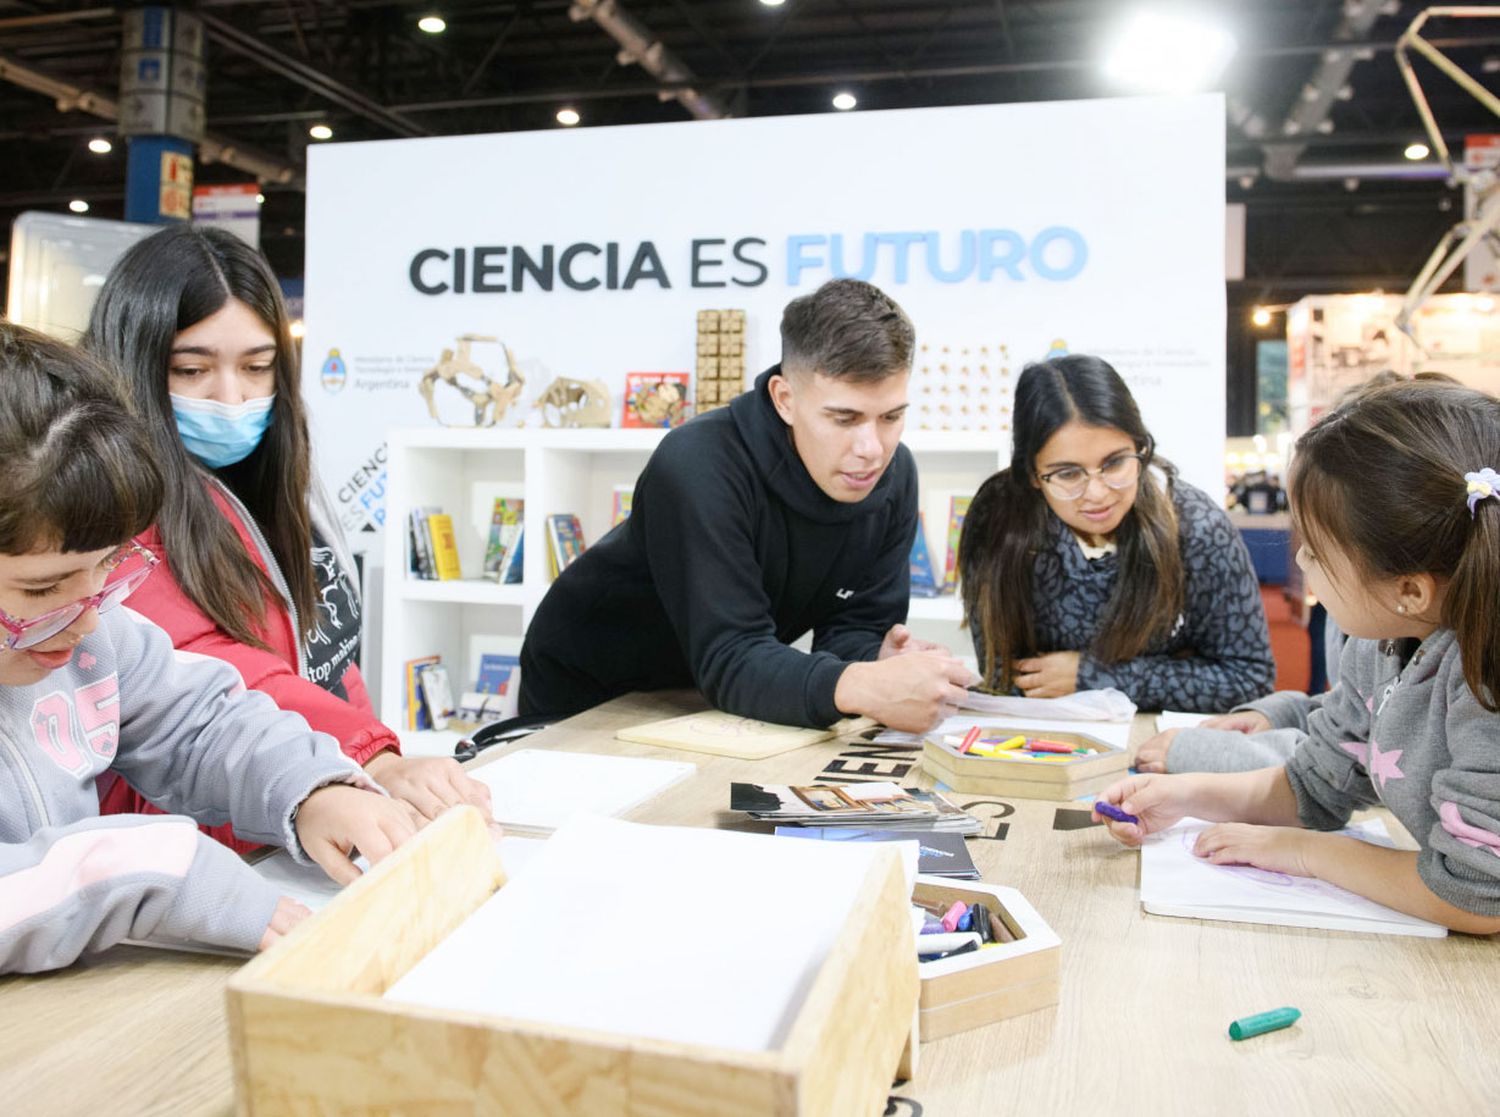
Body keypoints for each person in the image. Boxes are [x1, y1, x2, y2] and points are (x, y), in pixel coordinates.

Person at [0, 323, 421, 974]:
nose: (87, 619)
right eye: (43, 586)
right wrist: (153, 871)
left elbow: (198, 720)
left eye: (110, 568)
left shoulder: (94, 633)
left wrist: (312, 788)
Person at [82, 225, 489, 843]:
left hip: (277, 822)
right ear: (133, 361)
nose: (231, 396)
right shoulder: (111, 502)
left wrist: (375, 760)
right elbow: (209, 669)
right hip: (175, 844)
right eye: (191, 370)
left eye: (258, 366)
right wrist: (367, 758)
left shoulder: (264, 486)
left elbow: (323, 654)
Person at [1095, 380, 1500, 933]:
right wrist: (1187, 796)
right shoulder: (1377, 642)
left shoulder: (1484, 679)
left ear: (1410, 591)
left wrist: (1304, 853)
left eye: (1314, 547)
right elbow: (1314, 784)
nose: (1302, 562)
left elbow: (1474, 896)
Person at [520, 278, 976, 732]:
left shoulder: (894, 478)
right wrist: (863, 685)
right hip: (591, 689)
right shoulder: (698, 463)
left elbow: (851, 627)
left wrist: (876, 661)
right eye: (844, 418)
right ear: (785, 399)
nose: (872, 449)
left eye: (891, 417)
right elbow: (731, 654)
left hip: (704, 694)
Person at [958, 354, 1274, 711]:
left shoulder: (1196, 528)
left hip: (1158, 747)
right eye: (1067, 474)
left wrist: (1093, 677)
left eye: (1115, 463)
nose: (1097, 493)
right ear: (1032, 474)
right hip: (1041, 739)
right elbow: (1002, 673)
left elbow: (1249, 678)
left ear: (1141, 447)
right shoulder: (998, 517)